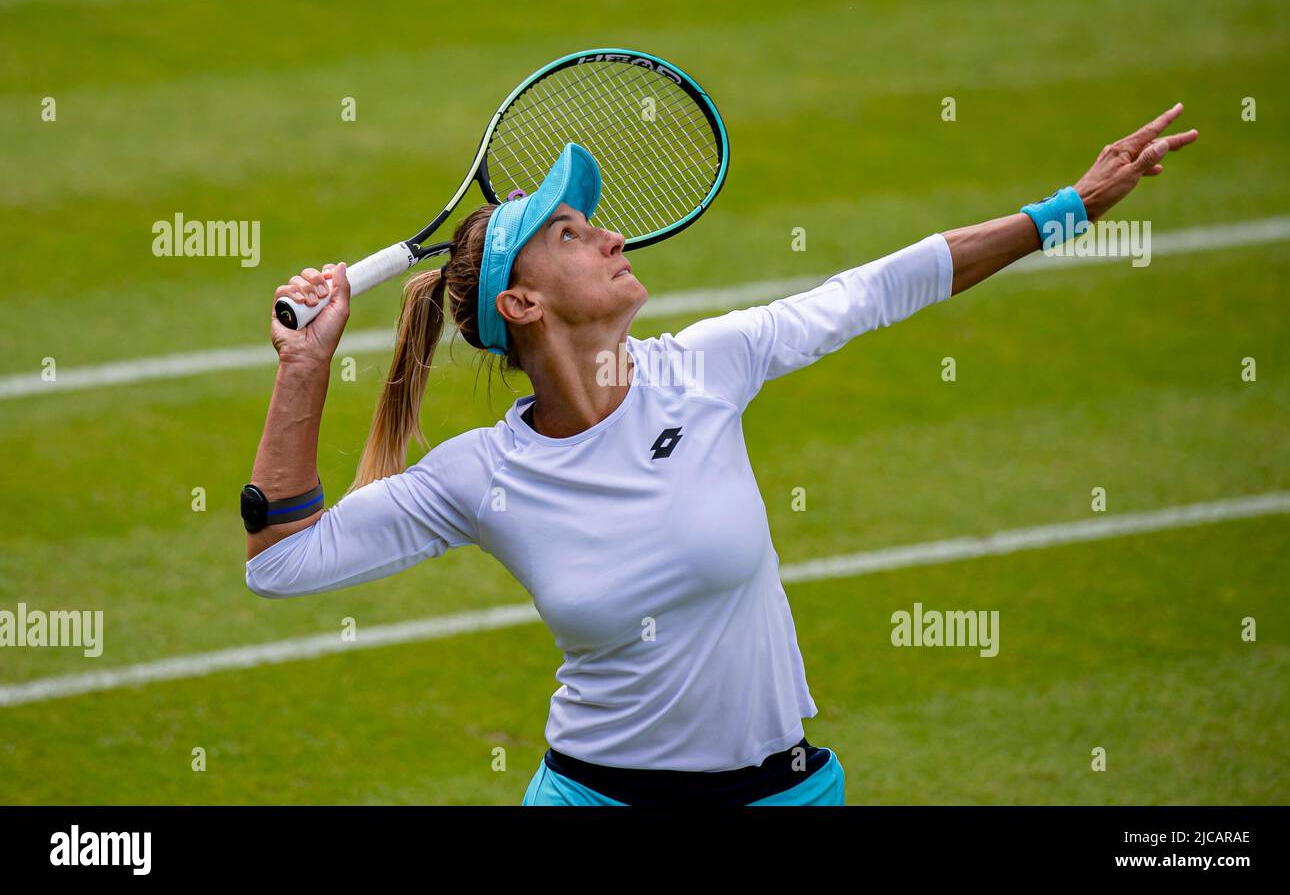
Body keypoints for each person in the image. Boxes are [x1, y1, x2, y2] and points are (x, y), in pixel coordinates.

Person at [242, 106, 1197, 805]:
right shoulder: (478, 475)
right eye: (572, 234)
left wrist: (1072, 207)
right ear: (521, 306)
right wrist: (306, 368)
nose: (613, 234)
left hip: (783, 796)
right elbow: (282, 562)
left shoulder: (706, 366)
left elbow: (881, 286)